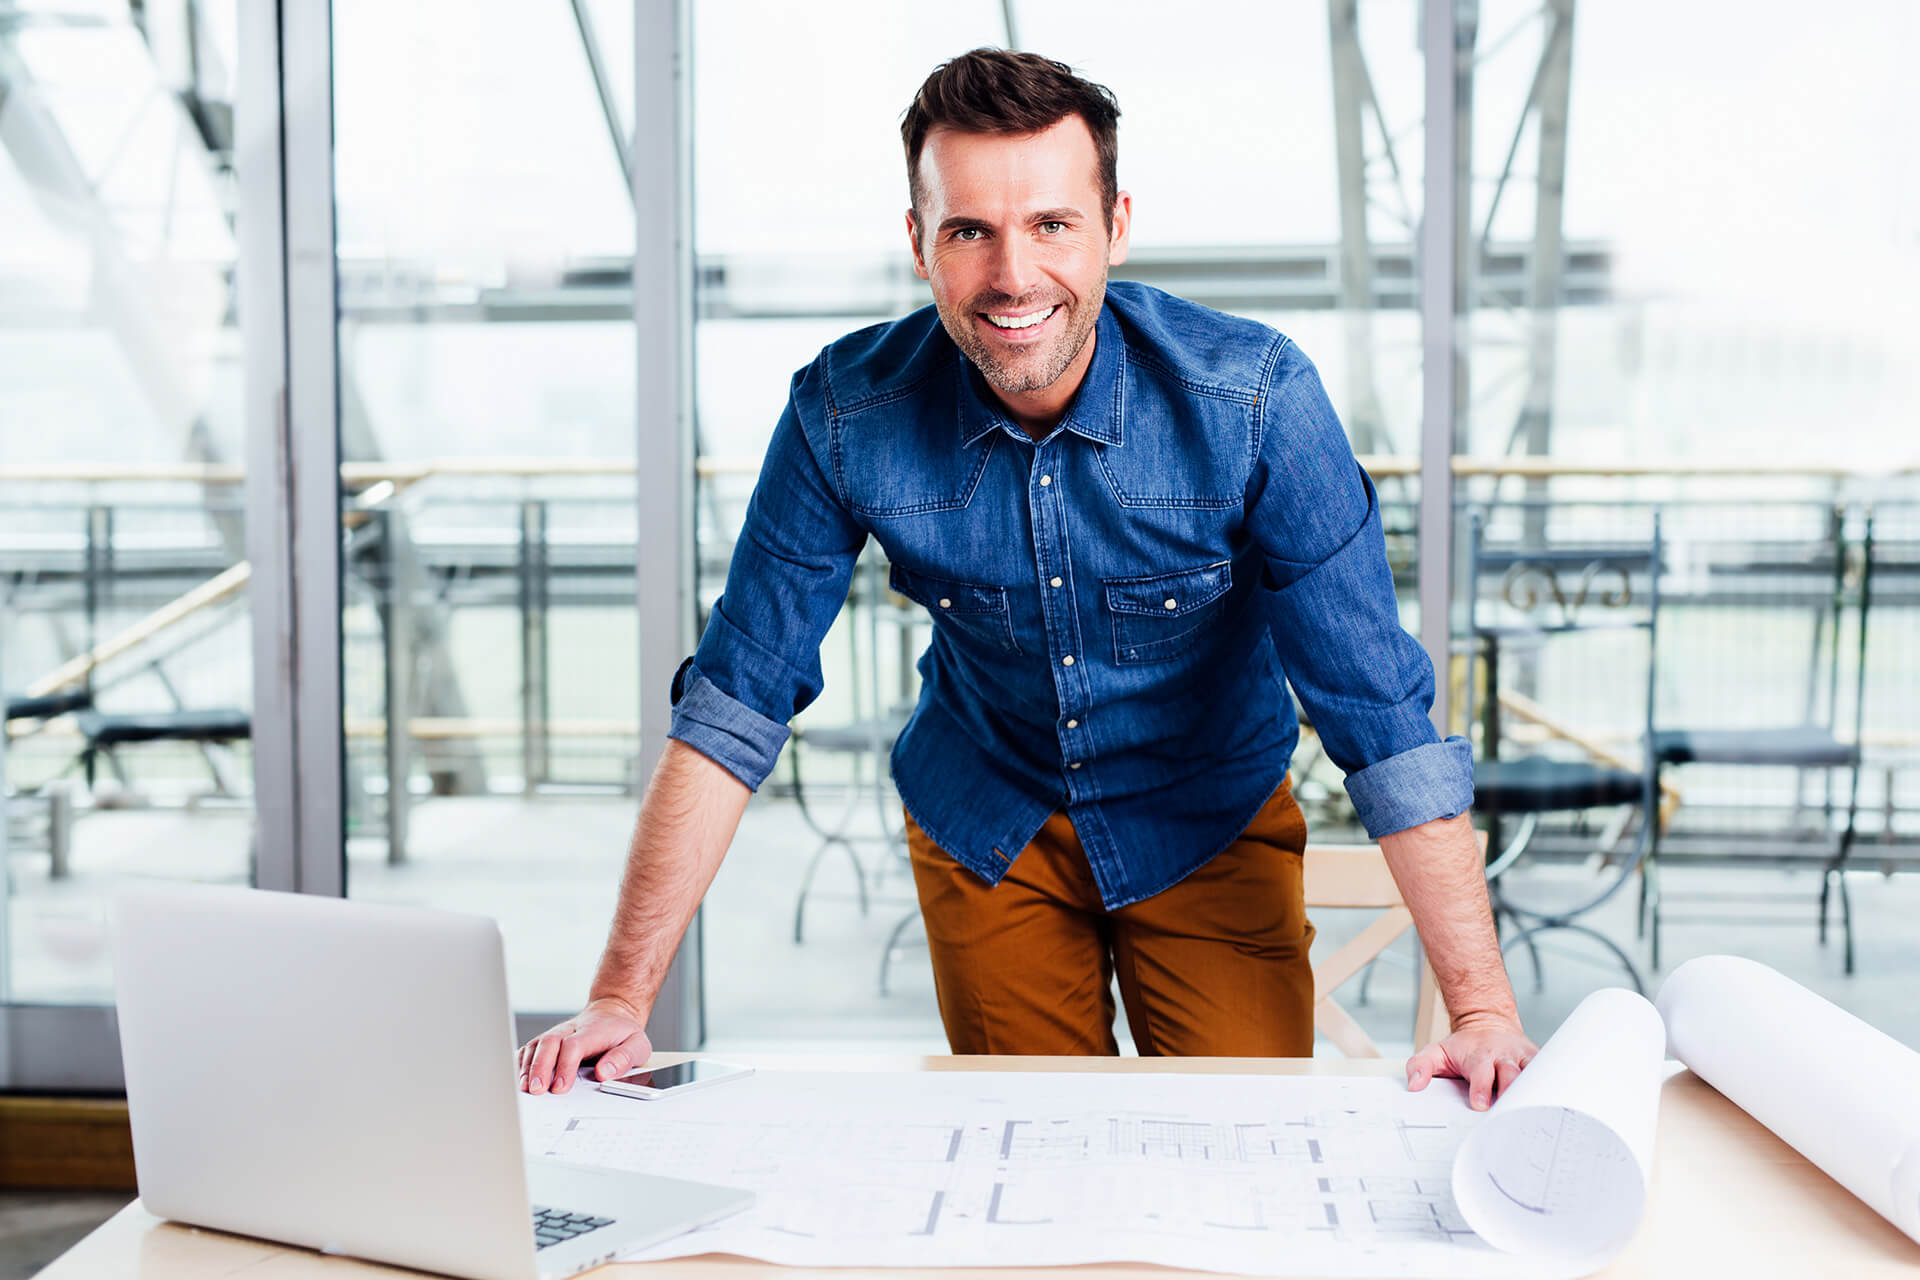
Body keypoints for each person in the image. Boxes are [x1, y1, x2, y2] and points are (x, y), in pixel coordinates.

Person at [520, 48, 1536, 1108]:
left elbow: (1381, 720)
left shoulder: (1256, 404)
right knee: (1033, 1158)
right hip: (987, 817)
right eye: (971, 230)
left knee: (1248, 1143)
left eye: (1052, 223)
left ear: (1115, 227)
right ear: (920, 240)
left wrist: (1482, 1013)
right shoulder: (841, 416)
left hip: (1206, 818)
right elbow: (734, 704)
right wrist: (620, 1000)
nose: (1013, 276)